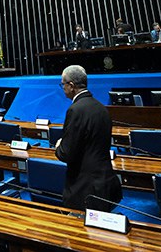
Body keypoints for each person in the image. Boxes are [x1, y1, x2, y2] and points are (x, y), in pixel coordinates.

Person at [55, 65, 121, 212]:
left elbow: (67, 153)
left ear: (71, 86)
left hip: (84, 188)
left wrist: (58, 146)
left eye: (63, 84)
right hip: (105, 182)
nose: (63, 87)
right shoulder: (101, 108)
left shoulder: (75, 110)